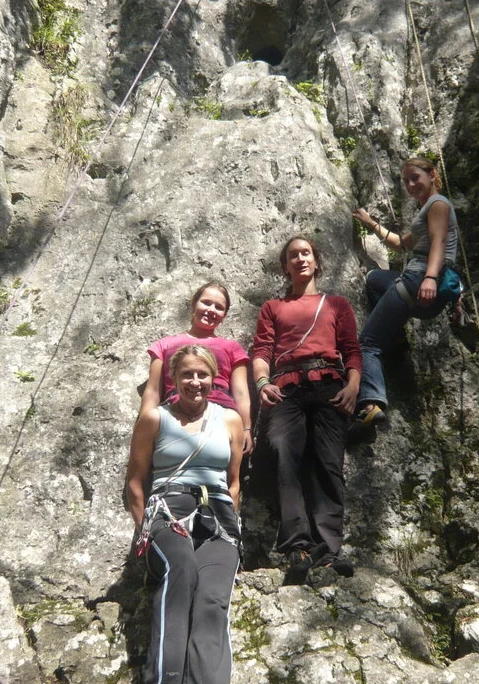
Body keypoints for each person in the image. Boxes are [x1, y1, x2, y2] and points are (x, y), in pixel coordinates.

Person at [125, 345, 245, 684]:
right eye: (187, 375)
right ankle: (166, 678)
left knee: (212, 599)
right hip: (168, 511)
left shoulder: (230, 420)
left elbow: (233, 482)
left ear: (214, 378)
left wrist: (228, 519)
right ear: (174, 379)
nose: (195, 382)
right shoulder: (155, 419)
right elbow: (135, 482)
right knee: (181, 569)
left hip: (218, 516)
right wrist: (145, 528)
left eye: (202, 374)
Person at [251, 236, 361, 584]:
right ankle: (297, 546)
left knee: (328, 463)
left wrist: (353, 386)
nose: (300, 259)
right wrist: (262, 383)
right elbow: (262, 351)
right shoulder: (273, 307)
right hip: (286, 389)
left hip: (329, 386)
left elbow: (351, 349)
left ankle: (329, 549)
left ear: (316, 262)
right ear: (285, 266)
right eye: (292, 256)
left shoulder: (336, 304)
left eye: (305, 253)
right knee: (285, 454)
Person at [351, 157, 462, 426]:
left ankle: (371, 403)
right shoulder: (427, 210)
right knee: (375, 279)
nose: (411, 184)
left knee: (367, 343)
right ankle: (397, 339)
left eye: (416, 177)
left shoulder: (437, 204)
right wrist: (370, 223)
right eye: (406, 181)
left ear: (432, 174)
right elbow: (402, 245)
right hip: (424, 289)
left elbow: (438, 242)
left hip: (419, 280)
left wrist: (430, 278)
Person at [138, 281, 253, 454]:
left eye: (219, 307)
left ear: (224, 315)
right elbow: (153, 390)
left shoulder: (232, 348)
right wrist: (145, 427)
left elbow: (241, 393)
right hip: (176, 412)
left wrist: (245, 428)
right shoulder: (165, 345)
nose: (211, 310)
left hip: (221, 415)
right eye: (206, 302)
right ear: (194, 303)